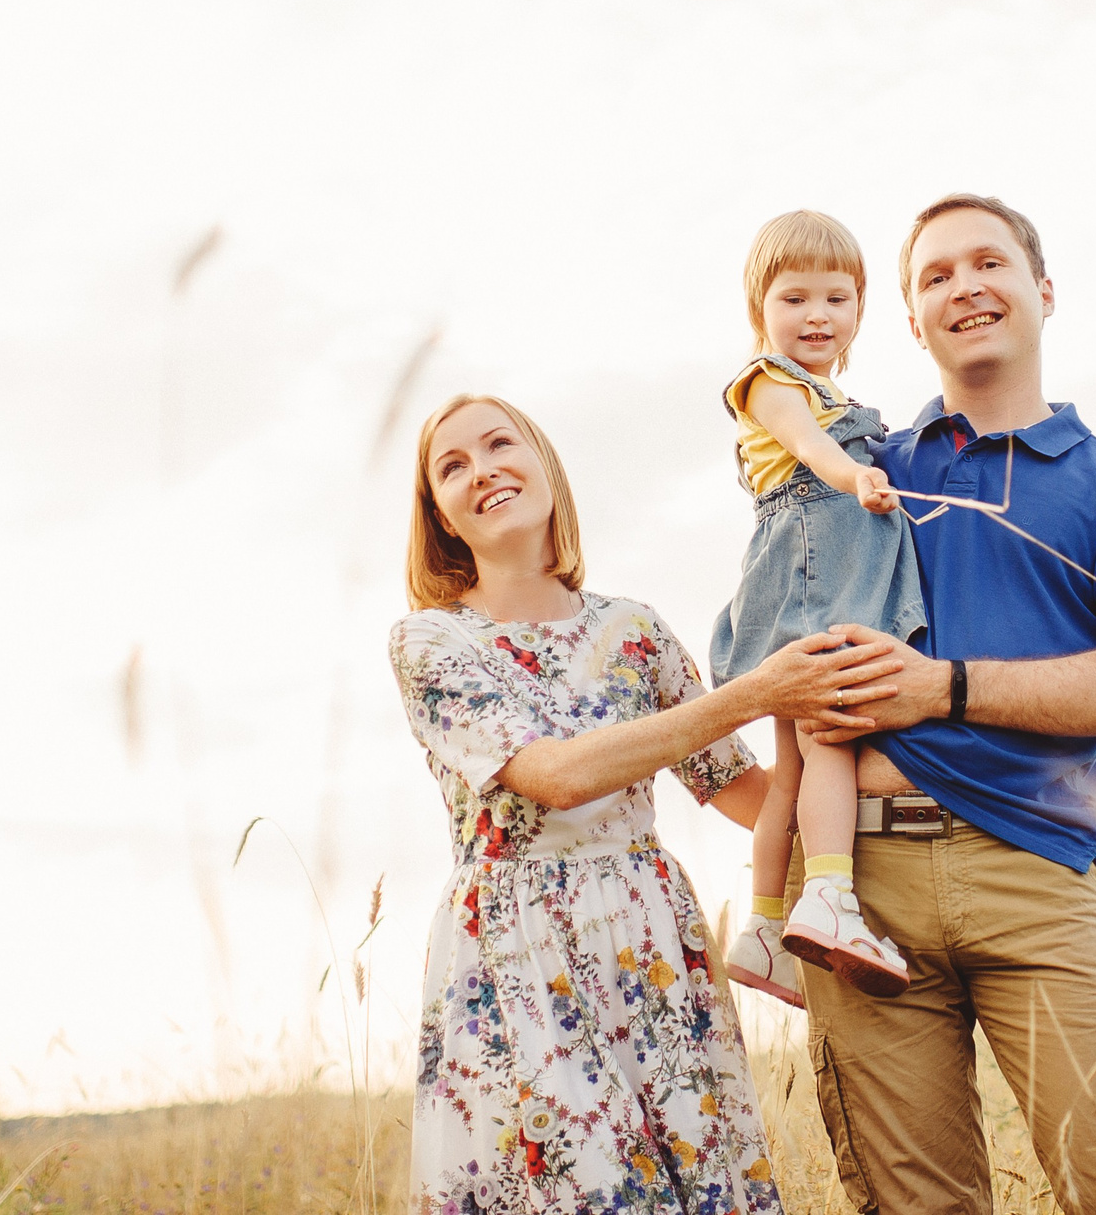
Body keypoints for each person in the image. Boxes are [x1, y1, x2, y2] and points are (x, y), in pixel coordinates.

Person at [388, 392, 910, 1215]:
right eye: (453, 467)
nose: (483, 470)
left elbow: (740, 791)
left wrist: (894, 798)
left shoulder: (634, 629)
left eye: (499, 445)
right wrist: (756, 691)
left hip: (650, 939)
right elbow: (553, 776)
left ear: (543, 466)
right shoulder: (431, 641)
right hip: (517, 952)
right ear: (442, 517)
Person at [786, 194, 1096, 1215]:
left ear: (1042, 291)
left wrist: (944, 687)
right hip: (860, 888)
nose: (964, 286)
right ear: (912, 320)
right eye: (934, 276)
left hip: (1039, 873)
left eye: (988, 264)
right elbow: (780, 623)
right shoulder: (865, 472)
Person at [708, 211, 928, 1006]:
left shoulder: (835, 389)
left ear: (860, 311)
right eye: (795, 298)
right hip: (811, 579)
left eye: (837, 299)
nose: (817, 316)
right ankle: (832, 895)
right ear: (760, 309)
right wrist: (857, 479)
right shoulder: (770, 382)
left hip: (809, 578)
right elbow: (808, 445)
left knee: (793, 771)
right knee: (832, 734)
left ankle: (765, 926)